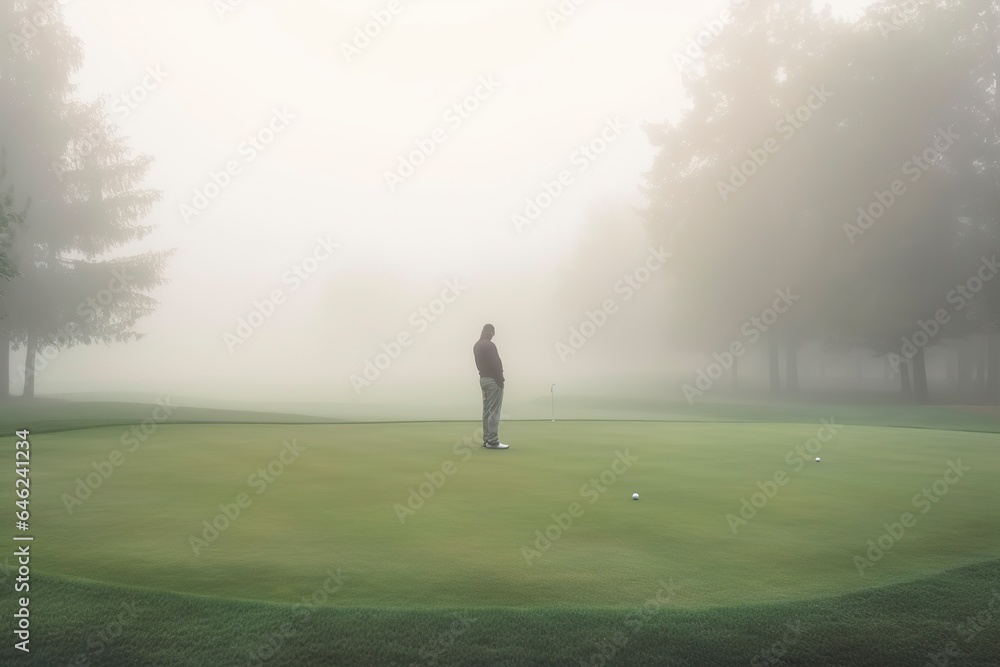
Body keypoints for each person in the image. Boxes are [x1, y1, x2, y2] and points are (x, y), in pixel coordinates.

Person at [473, 323, 508, 449]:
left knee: (487, 411)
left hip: (483, 379)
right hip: (493, 380)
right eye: (492, 333)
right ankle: (493, 440)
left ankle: (487, 439)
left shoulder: (477, 345)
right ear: (490, 332)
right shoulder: (490, 345)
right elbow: (496, 364)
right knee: (494, 411)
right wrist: (500, 380)